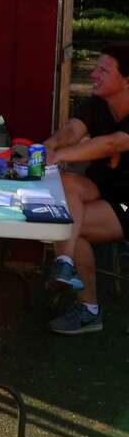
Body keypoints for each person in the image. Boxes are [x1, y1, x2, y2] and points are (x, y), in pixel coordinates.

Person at [42, 43, 129, 334]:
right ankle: (65, 263)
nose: (93, 74)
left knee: (66, 224)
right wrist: (52, 146)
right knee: (65, 188)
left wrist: (61, 156)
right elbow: (73, 131)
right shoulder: (96, 103)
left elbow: (114, 143)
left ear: (126, 80)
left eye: (103, 70)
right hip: (102, 189)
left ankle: (89, 308)